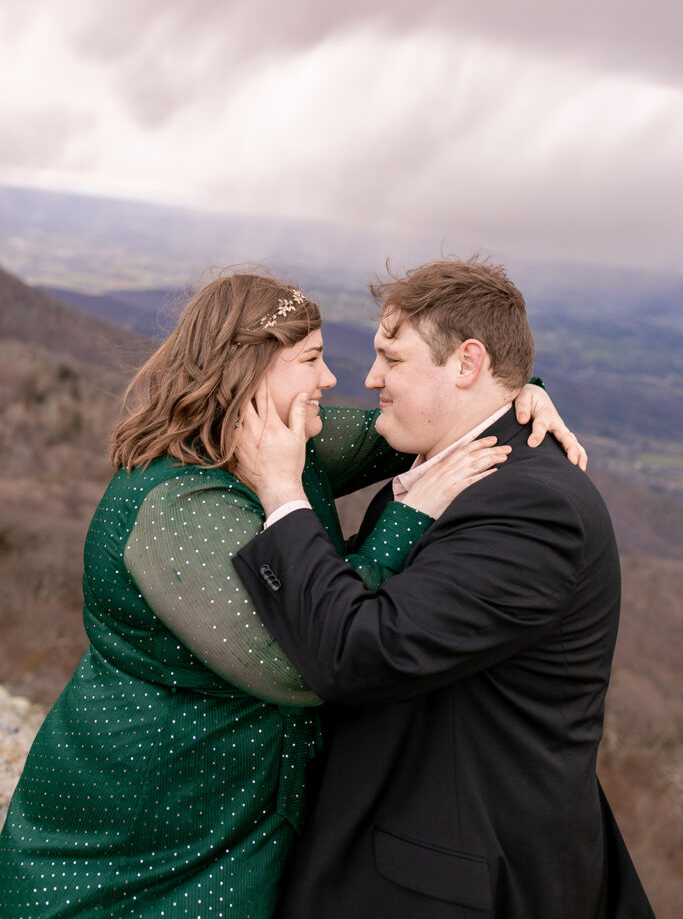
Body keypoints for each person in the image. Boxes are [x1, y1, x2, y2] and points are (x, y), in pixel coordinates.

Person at [0, 271, 579, 919]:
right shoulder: (181, 509)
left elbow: (412, 424)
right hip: (149, 815)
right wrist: (410, 513)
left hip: (231, 800)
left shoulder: (280, 441)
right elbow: (300, 666)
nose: (332, 379)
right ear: (250, 373)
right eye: (310, 360)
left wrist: (514, 394)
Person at [233, 258, 655, 919]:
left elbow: (358, 654)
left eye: (390, 359)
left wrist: (284, 499)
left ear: (465, 364)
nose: (369, 378)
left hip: (442, 885)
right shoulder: (454, 467)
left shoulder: (532, 508)